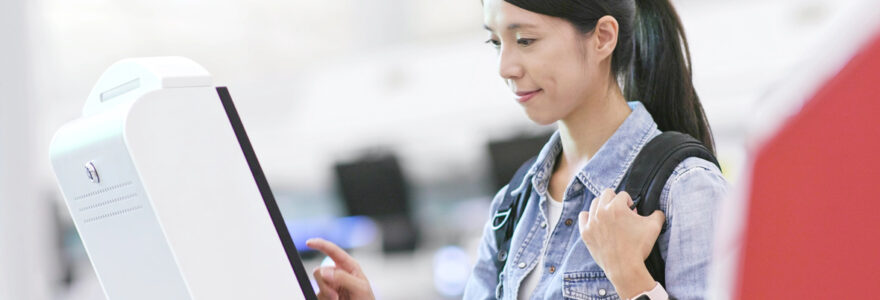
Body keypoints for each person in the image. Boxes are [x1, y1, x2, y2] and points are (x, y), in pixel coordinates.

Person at [306, 0, 727, 299]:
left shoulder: (685, 188)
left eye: (525, 40)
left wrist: (631, 278)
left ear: (602, 37)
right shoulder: (515, 203)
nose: (505, 67)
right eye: (495, 42)